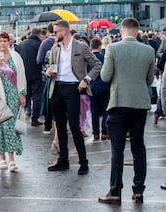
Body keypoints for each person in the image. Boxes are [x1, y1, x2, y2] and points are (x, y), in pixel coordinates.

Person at [98, 17, 154, 204]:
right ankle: (138, 190)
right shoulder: (149, 50)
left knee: (118, 149)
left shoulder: (113, 48)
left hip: (119, 102)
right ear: (137, 32)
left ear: (121, 32)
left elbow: (105, 76)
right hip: (140, 103)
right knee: (138, 147)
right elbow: (149, 79)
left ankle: (115, 191)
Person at [46, 20, 101, 175]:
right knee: (60, 126)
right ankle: (63, 160)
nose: (53, 34)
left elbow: (97, 64)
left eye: (56, 31)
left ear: (64, 31)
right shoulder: (55, 47)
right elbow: (49, 65)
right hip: (56, 87)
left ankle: (84, 163)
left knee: (75, 127)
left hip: (73, 88)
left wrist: (86, 79)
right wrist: (48, 71)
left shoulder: (81, 47)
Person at [0, 32, 26, 172]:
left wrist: (22, 93)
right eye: (0, 41)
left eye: (5, 41)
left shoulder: (16, 57)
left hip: (13, 95)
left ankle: (11, 159)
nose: (3, 43)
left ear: (9, 42)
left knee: (10, 125)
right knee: (0, 127)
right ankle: (2, 157)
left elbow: (22, 75)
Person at [17, 28, 44, 126]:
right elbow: (41, 59)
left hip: (23, 74)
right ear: (39, 34)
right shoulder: (39, 45)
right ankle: (34, 118)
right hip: (36, 74)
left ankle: (21, 117)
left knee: (25, 96)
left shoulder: (21, 44)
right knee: (37, 97)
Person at [89, 38, 110, 141]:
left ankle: (95, 133)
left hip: (91, 87)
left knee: (94, 111)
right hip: (103, 86)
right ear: (100, 46)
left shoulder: (87, 59)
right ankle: (105, 132)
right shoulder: (104, 58)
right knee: (105, 110)